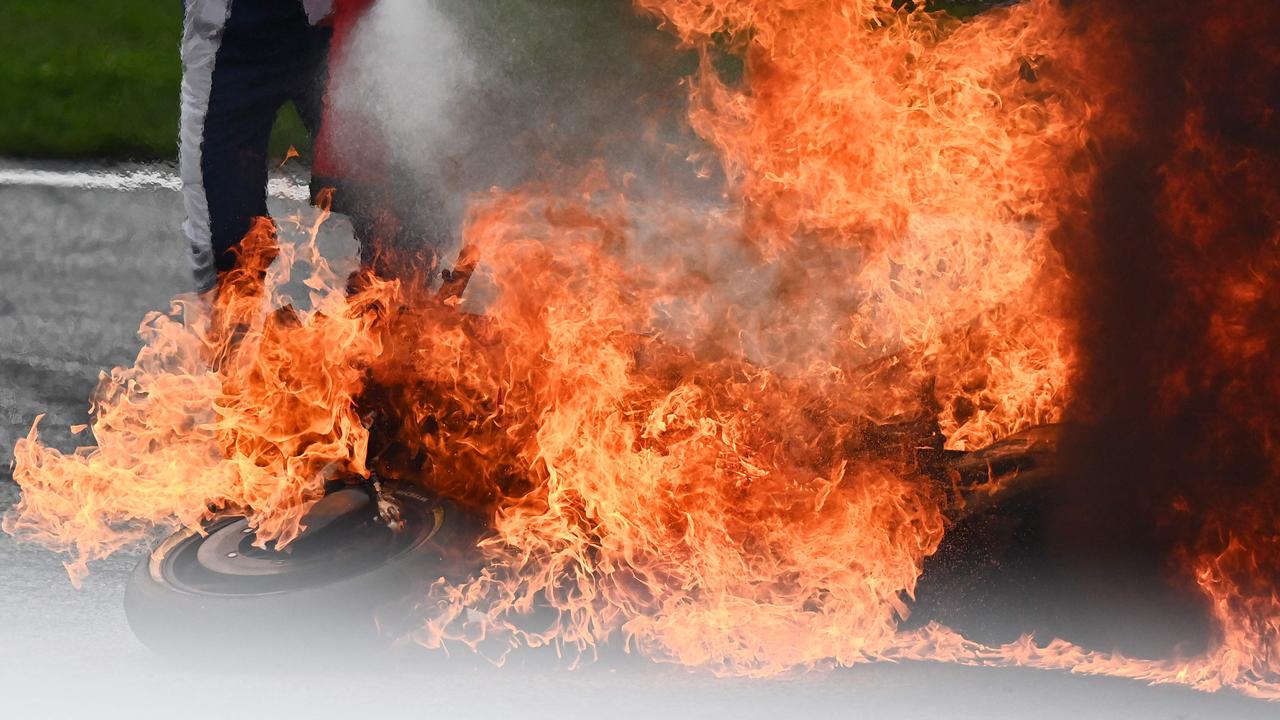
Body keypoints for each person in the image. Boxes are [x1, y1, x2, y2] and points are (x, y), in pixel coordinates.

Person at [180, 0, 338, 297]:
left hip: (331, 30)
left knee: (382, 199)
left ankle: (402, 326)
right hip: (231, 40)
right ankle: (236, 334)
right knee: (230, 238)